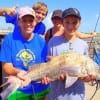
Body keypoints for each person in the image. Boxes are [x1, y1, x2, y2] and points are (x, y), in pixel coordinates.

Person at [45, 8, 96, 100]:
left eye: (74, 22)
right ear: (62, 23)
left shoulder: (83, 45)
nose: (70, 26)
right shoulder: (53, 42)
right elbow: (48, 65)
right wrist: (54, 73)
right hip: (56, 95)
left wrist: (88, 78)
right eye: (67, 22)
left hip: (77, 95)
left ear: (79, 23)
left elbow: (86, 70)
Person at [0, 6, 50, 100]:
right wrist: (19, 72)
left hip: (40, 89)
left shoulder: (41, 42)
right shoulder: (9, 39)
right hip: (19, 88)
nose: (28, 24)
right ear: (19, 22)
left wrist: (45, 77)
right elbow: (6, 66)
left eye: (31, 20)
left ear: (35, 22)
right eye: (24, 20)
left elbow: (44, 65)